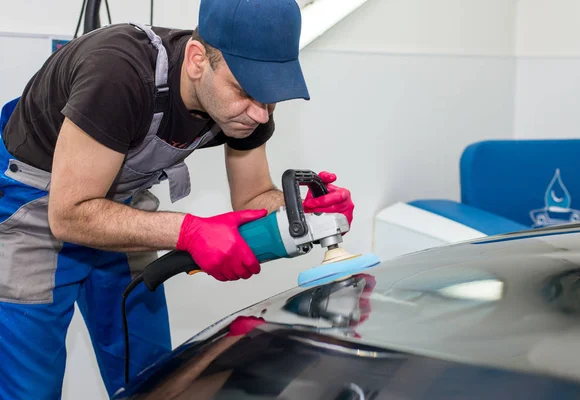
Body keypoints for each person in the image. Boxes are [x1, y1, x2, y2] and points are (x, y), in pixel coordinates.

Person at [0, 0, 354, 398]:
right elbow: (68, 215)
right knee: (29, 389)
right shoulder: (118, 74)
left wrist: (303, 213)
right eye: (245, 91)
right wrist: (190, 232)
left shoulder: (246, 105)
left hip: (117, 210)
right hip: (33, 210)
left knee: (153, 377)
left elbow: (254, 195)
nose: (260, 114)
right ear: (197, 60)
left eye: (270, 96)